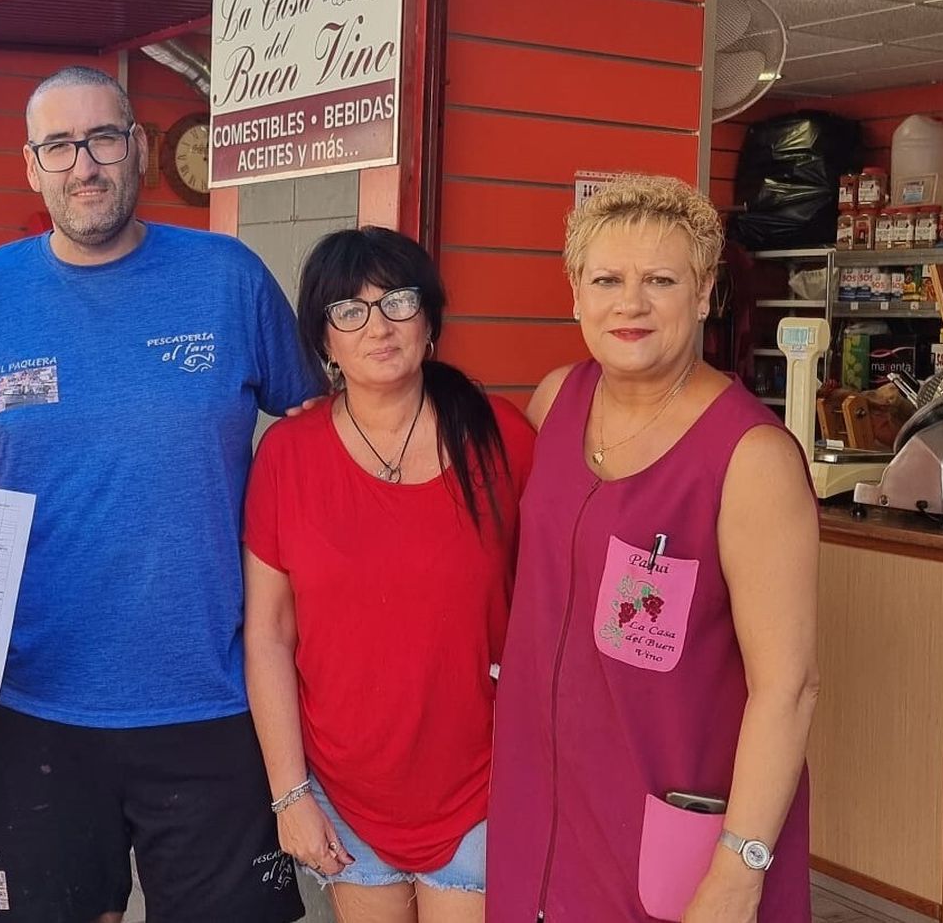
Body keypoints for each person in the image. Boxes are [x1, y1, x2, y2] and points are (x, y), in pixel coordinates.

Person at [0, 66, 316, 923]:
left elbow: (313, 432)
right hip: (34, 702)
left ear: (140, 150)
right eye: (58, 146)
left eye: (104, 139)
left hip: (212, 696)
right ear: (31, 166)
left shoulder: (228, 279)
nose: (85, 165)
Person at [486, 174, 819, 923]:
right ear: (575, 294)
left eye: (660, 281)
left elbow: (789, 686)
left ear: (703, 295)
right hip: (543, 816)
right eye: (607, 279)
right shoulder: (556, 401)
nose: (630, 304)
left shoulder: (751, 457)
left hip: (678, 828)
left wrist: (739, 870)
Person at [244, 227, 536, 923]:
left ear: (429, 318)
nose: (377, 326)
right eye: (349, 310)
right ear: (324, 340)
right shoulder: (287, 456)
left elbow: (552, 601)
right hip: (344, 788)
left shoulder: (501, 436)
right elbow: (269, 635)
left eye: (397, 301)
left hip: (482, 785)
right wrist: (289, 795)